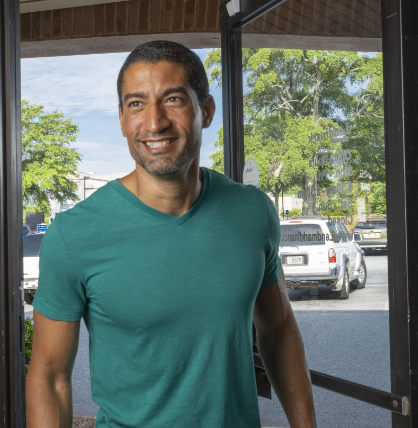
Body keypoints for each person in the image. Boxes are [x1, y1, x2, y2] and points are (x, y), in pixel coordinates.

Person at [26, 40, 317, 428]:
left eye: (173, 99)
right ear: (121, 119)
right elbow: (49, 376)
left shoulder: (252, 212)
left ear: (206, 111)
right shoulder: (75, 234)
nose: (153, 122)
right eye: (136, 104)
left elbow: (278, 331)